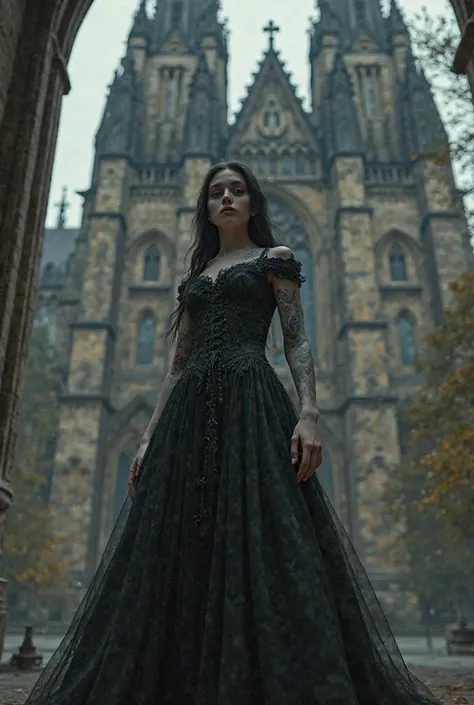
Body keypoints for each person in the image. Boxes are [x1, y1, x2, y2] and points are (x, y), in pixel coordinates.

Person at [26, 162, 440, 705]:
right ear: (206, 206)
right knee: (181, 538)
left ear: (253, 203)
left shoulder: (277, 260)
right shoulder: (196, 276)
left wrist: (308, 412)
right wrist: (149, 436)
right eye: (216, 191)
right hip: (188, 412)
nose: (226, 198)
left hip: (252, 399)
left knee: (265, 529)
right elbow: (177, 363)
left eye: (237, 191)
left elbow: (295, 340)